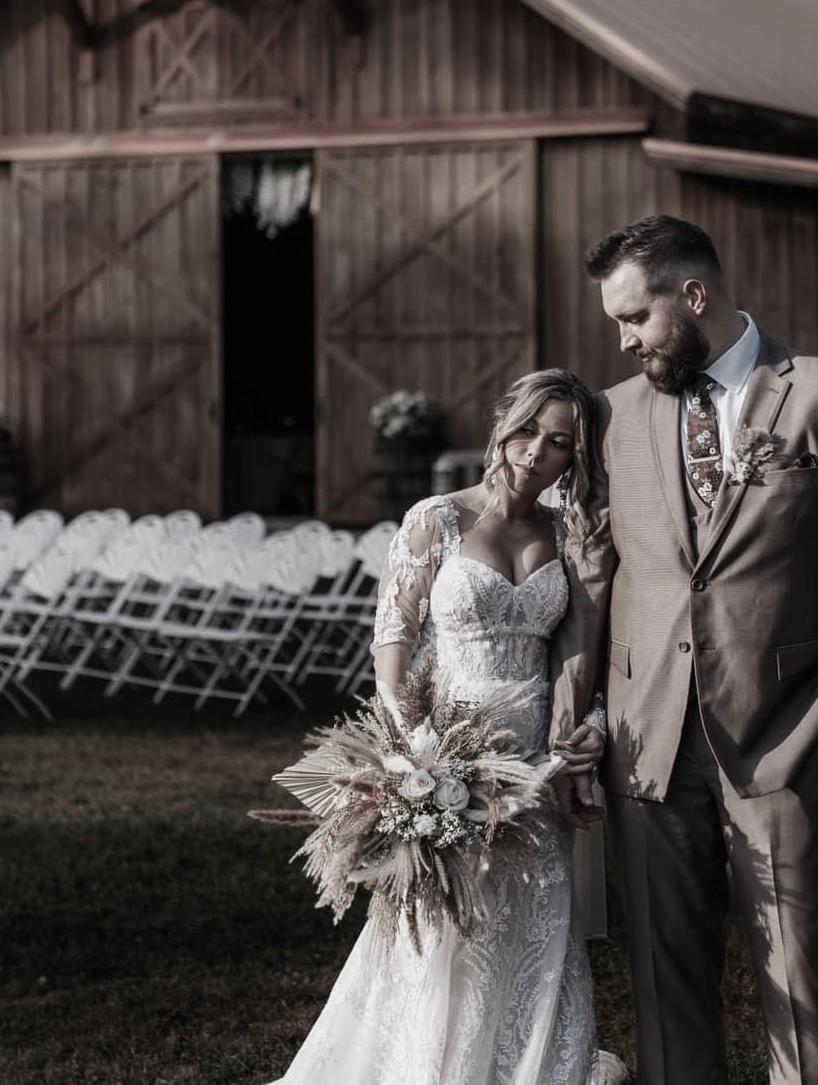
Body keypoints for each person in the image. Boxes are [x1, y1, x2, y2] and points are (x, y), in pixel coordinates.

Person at [549, 215, 818, 1085]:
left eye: (634, 317)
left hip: (788, 738)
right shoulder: (612, 414)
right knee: (666, 994)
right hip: (647, 747)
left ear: (693, 295)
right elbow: (592, 580)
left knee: (804, 993)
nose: (623, 338)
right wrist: (578, 722)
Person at [266, 368, 627, 1085]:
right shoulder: (438, 519)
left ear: (575, 457)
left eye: (558, 443)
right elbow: (392, 642)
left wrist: (587, 724)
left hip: (535, 760)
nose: (535, 452)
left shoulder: (570, 534)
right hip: (448, 749)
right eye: (527, 431)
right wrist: (418, 752)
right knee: (445, 925)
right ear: (502, 426)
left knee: (533, 923)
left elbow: (583, 650)